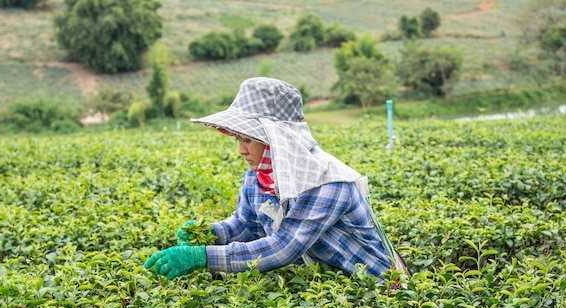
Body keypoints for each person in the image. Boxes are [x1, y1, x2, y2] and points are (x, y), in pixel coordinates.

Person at [144, 77, 408, 280]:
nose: (241, 150)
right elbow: (246, 225)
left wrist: (201, 256)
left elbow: (282, 248)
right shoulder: (260, 175)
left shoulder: (327, 183)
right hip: (324, 284)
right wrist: (208, 233)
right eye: (239, 139)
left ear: (274, 140)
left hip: (378, 285)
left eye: (247, 140)